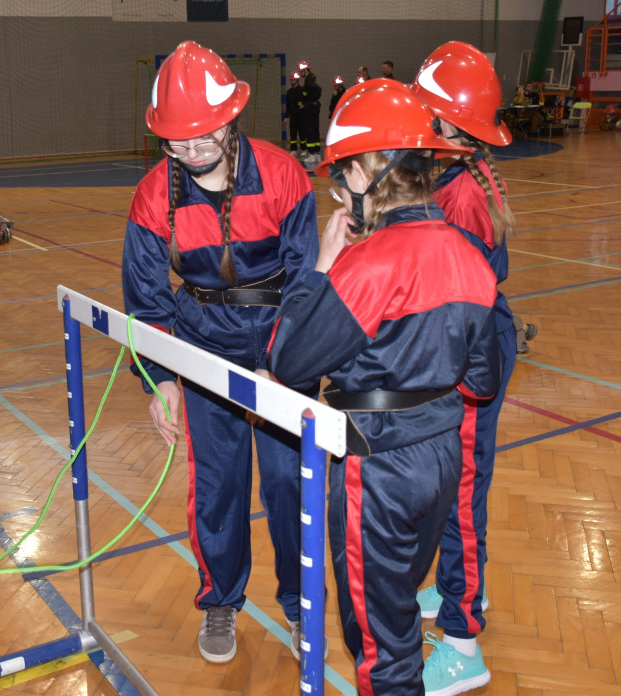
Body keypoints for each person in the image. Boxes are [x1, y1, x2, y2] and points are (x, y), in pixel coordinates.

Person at [268, 77, 500, 696]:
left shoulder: (368, 265)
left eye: (341, 175)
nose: (339, 190)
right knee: (397, 601)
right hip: (442, 458)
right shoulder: (470, 256)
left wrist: (321, 267)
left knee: (379, 642)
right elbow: (482, 380)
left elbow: (288, 360)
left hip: (376, 467)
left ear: (371, 169)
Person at [121, 40, 320, 664]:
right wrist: (162, 379)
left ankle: (300, 607)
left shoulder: (284, 174)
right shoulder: (155, 196)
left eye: (206, 134)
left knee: (290, 484)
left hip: (279, 344)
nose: (193, 149)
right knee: (217, 486)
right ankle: (220, 601)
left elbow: (308, 282)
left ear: (233, 116)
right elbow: (146, 298)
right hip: (202, 347)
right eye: (179, 140)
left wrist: (282, 363)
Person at [409, 41, 521, 696]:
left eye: (426, 114)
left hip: (471, 347)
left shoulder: (463, 196)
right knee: (450, 487)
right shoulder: (451, 175)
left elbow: (463, 300)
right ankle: (453, 587)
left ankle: (462, 636)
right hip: (457, 337)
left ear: (451, 127)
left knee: (462, 494)